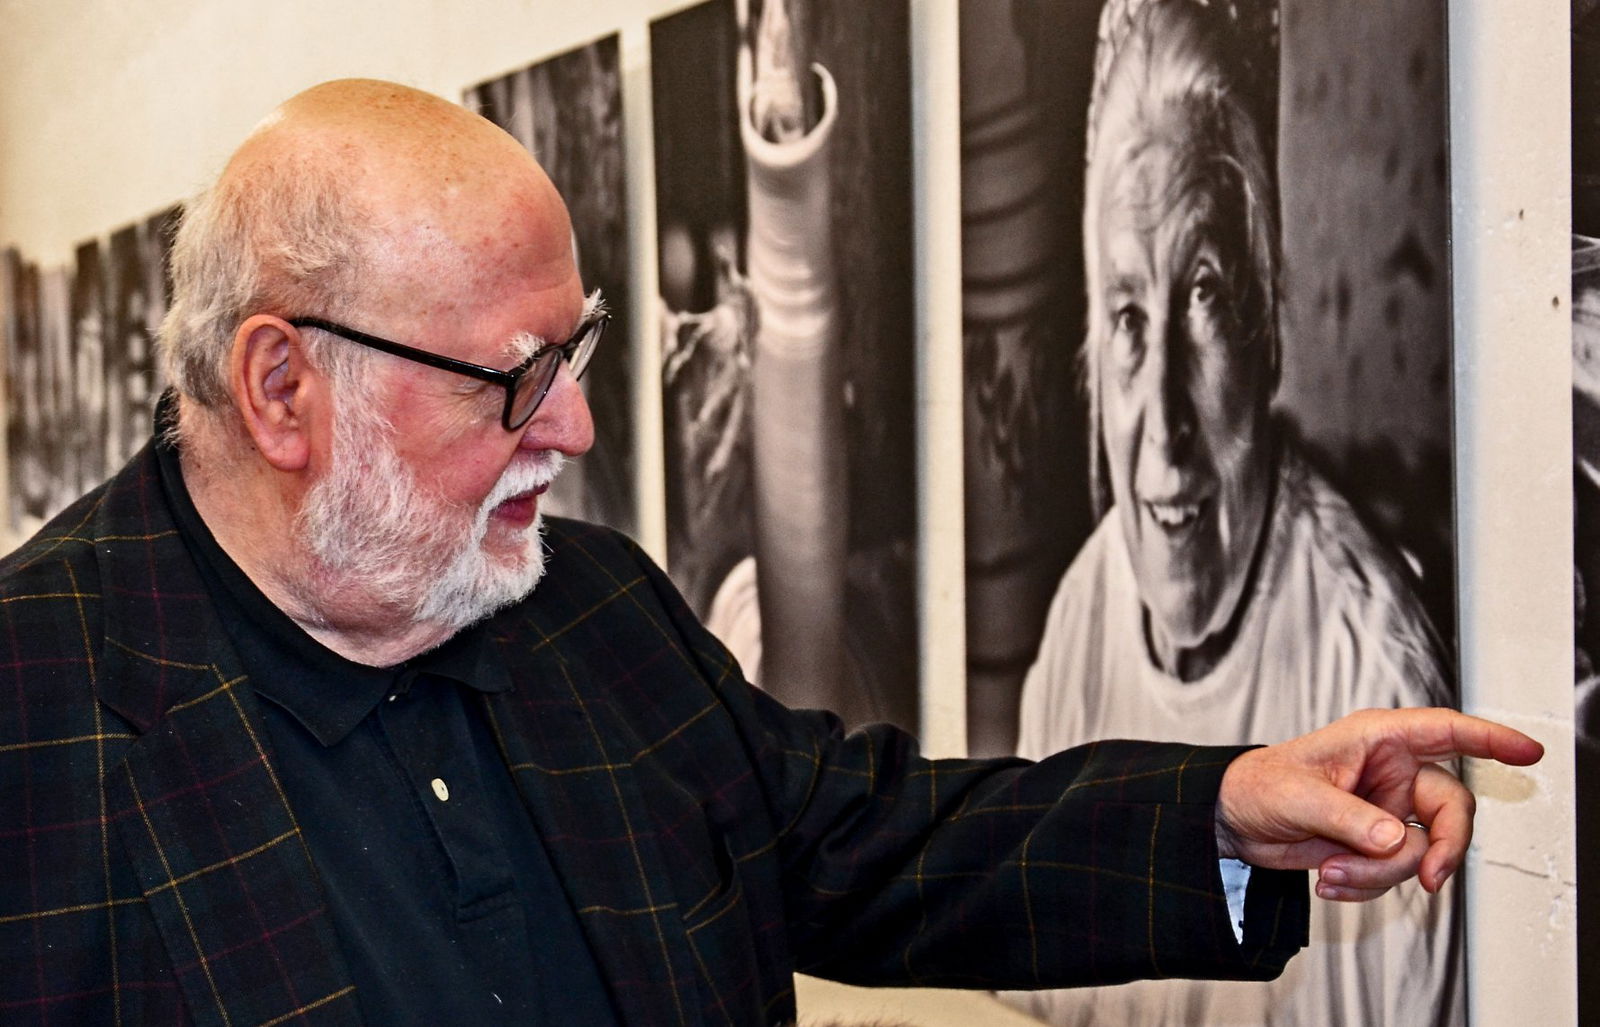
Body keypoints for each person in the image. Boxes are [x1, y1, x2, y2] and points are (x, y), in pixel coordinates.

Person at [0, 78, 1539, 1026]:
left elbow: (859, 841)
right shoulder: (35, 718)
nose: (582, 426)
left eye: (584, 348)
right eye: (518, 372)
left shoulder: (588, 608)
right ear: (285, 388)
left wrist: (1221, 808)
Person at [1012, 1, 1461, 1024]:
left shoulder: (1371, 675)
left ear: (1266, 336)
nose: (1163, 424)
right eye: (1126, 315)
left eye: (1205, 297)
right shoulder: (1078, 625)